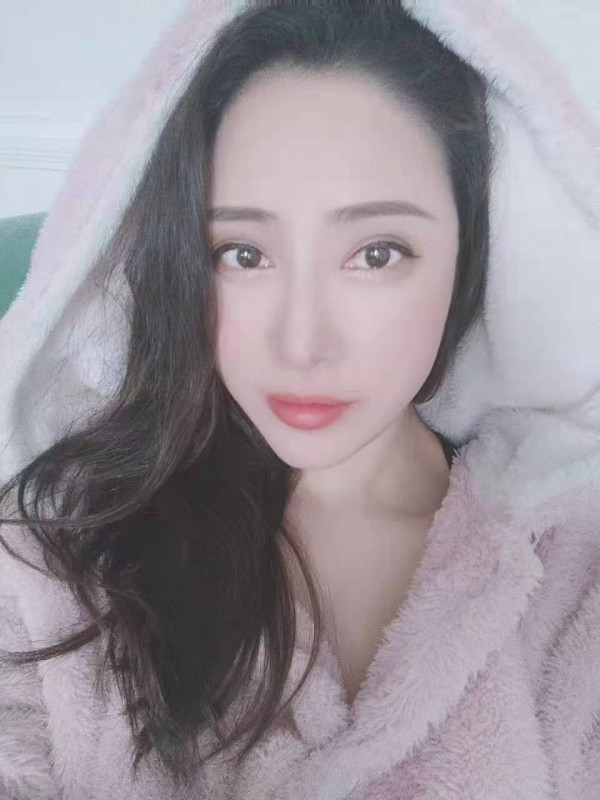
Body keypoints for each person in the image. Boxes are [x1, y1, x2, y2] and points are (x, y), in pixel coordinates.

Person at [0, 2, 598, 799]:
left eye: (377, 253)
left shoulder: (574, 572)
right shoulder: (54, 558)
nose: (302, 343)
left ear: (473, 256)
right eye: (242, 254)